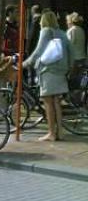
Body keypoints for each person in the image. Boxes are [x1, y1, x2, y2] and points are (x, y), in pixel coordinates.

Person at [23, 11, 73, 141]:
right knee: (57, 102)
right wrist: (68, 68)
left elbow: (38, 51)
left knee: (48, 102)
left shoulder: (45, 31)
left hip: (48, 71)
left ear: (44, 21)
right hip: (61, 71)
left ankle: (51, 133)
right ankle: (60, 132)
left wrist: (25, 63)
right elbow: (71, 51)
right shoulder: (62, 33)